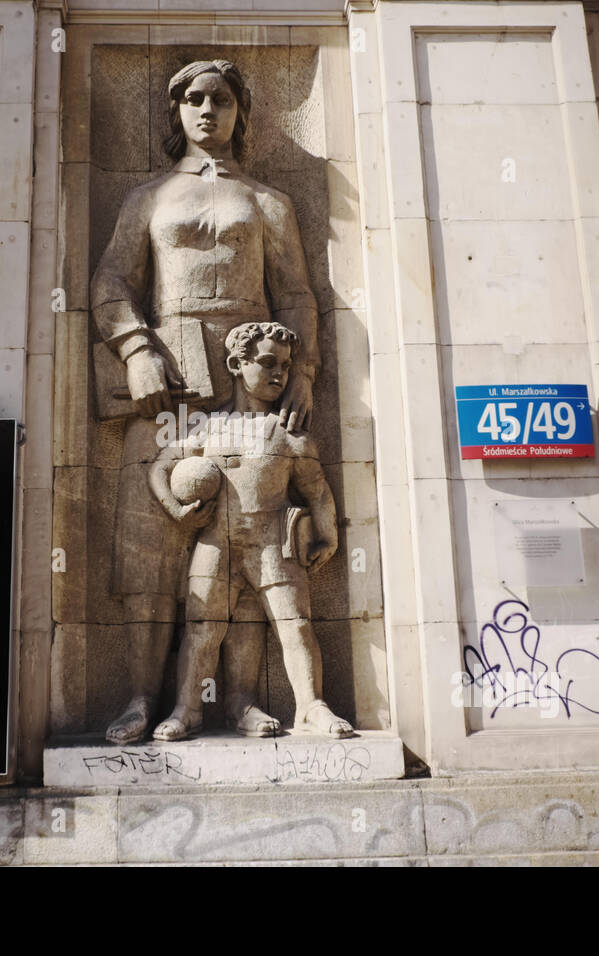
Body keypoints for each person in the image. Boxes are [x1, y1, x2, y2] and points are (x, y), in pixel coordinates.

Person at [90, 60, 321, 744]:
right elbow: (110, 280)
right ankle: (139, 696)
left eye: (220, 99)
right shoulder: (149, 199)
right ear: (176, 111)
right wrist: (135, 350)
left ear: (239, 110)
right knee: (153, 550)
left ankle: (243, 700)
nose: (206, 109)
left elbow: (298, 294)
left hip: (254, 383)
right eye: (192, 98)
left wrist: (303, 372)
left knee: (251, 550)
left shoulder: (268, 202)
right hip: (171, 386)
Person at [146, 322, 351, 741]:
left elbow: (318, 491)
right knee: (203, 628)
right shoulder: (209, 428)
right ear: (236, 365)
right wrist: (177, 512)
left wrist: (328, 534)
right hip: (214, 542)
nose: (280, 374)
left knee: (294, 625)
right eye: (268, 363)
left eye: (288, 366)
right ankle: (187, 710)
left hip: (273, 542)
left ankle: (311, 706)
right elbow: (160, 468)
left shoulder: (289, 434)